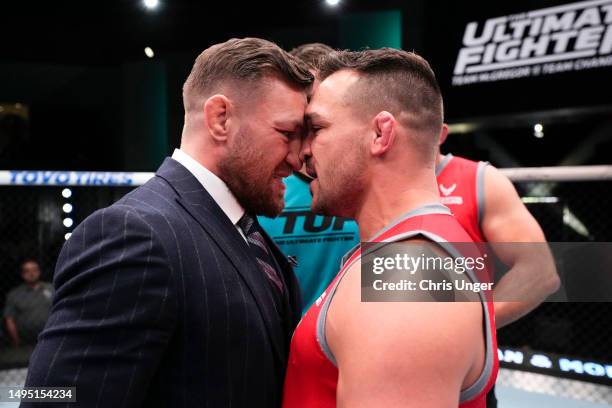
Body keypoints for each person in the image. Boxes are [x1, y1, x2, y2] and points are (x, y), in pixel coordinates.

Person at [23, 37, 313, 407]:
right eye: (287, 134)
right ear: (220, 119)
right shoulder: (133, 234)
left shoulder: (246, 229)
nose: (298, 158)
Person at [283, 49, 497, 407]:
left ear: (380, 134)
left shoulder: (405, 276)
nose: (303, 151)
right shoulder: (406, 251)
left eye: (317, 129)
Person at [259, 43, 360, 312]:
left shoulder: (372, 186)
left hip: (360, 344)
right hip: (287, 347)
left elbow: (447, 291)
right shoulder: (260, 191)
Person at [436, 129, 559, 329]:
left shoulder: (478, 179)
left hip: (452, 344)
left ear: (440, 133)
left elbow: (539, 272)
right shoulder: (371, 184)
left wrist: (469, 330)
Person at [3, 259, 53, 347]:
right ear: (22, 274)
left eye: (34, 270)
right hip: (26, 343)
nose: (31, 273)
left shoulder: (51, 289)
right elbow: (9, 319)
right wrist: (16, 340)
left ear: (39, 272)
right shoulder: (14, 294)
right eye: (27, 271)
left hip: (52, 337)